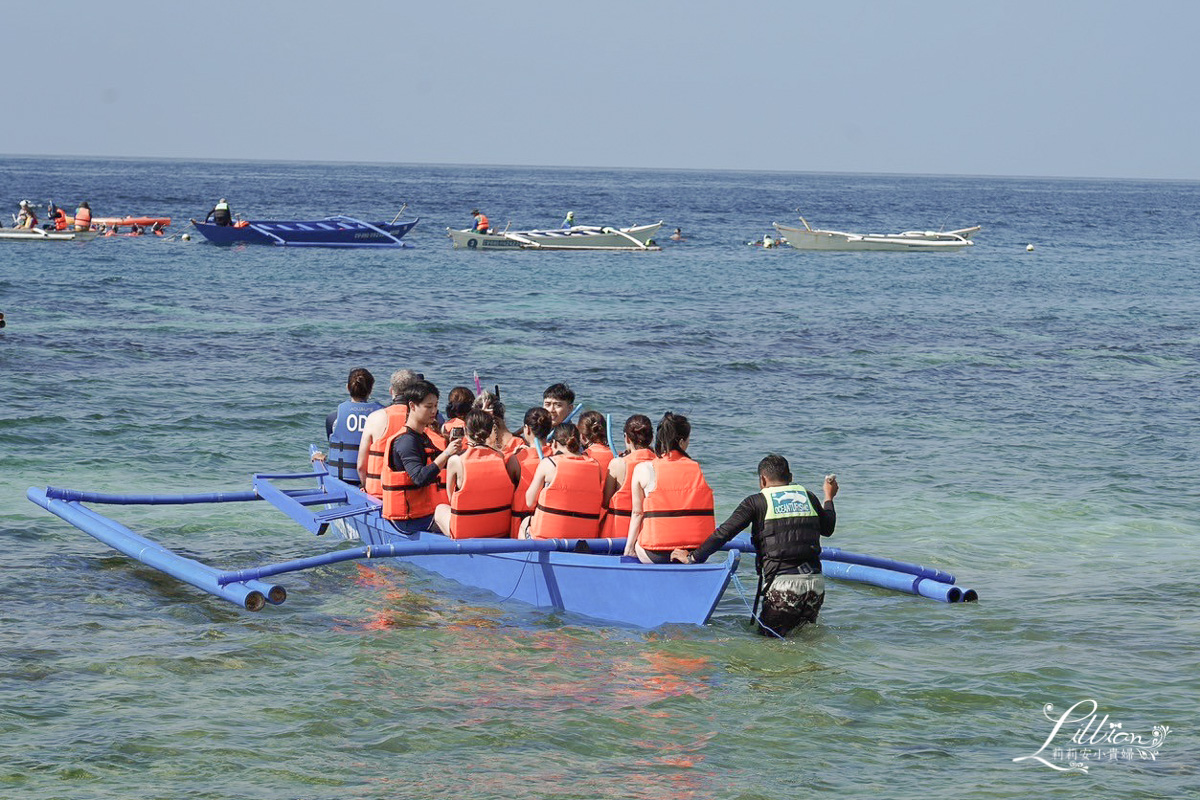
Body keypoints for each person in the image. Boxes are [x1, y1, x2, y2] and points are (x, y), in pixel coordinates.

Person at [674, 455, 838, 637]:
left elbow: (724, 533)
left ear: (762, 480)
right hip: (815, 584)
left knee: (769, 646)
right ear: (790, 477)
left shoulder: (756, 502)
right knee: (803, 641)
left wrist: (693, 557)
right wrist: (829, 497)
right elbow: (828, 528)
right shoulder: (809, 497)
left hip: (783, 587)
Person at [623, 412, 715, 563]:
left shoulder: (644, 468)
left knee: (639, 543)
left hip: (656, 554)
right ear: (681, 442)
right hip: (695, 553)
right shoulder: (697, 468)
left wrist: (629, 548)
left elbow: (637, 513)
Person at [380, 380, 462, 532]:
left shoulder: (422, 436)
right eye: (428, 407)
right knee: (457, 520)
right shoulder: (406, 441)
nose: (434, 411)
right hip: (411, 522)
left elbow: (442, 462)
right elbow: (419, 478)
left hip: (425, 514)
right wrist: (447, 453)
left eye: (436, 406)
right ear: (412, 406)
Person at [433, 410, 520, 539]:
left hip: (464, 532)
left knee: (440, 508)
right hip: (498, 528)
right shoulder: (501, 457)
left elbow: (451, 499)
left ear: (466, 431)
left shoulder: (456, 461)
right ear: (490, 431)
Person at [519, 422, 603, 539]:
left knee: (525, 522)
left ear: (554, 443)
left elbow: (529, 502)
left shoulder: (549, 464)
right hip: (584, 537)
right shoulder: (596, 466)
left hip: (548, 536)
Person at [357, 368, 421, 497]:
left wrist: (366, 486)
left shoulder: (375, 418)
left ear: (391, 391)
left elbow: (361, 466)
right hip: (410, 496)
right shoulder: (423, 419)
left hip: (377, 494)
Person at [323, 367, 384, 486]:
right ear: (370, 390)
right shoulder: (383, 416)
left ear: (347, 388)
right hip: (372, 480)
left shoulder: (333, 418)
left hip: (340, 478)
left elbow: (332, 443)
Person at [599, 414, 656, 539]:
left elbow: (605, 502)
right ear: (651, 439)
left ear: (627, 438)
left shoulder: (618, 464)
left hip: (616, 533)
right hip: (648, 532)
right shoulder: (660, 463)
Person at [507, 407, 553, 537]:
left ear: (526, 429)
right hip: (548, 522)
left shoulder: (515, 460)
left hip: (521, 526)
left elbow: (507, 488)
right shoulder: (558, 457)